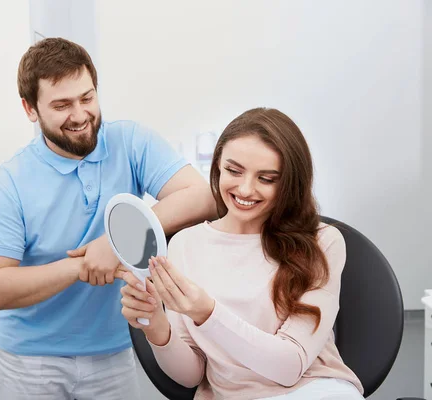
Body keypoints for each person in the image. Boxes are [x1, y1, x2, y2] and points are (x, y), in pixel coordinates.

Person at [0, 37, 217, 400]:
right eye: (61, 105)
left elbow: (203, 197)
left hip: (113, 351)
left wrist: (116, 240)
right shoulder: (10, 183)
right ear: (30, 109)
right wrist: (80, 266)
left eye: (87, 98)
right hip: (29, 361)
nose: (80, 114)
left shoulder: (130, 142)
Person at [120, 108, 365, 400]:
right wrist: (157, 327)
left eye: (267, 178)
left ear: (289, 182)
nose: (245, 189)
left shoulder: (322, 242)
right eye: (233, 171)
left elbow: (289, 367)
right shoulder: (185, 245)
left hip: (315, 390)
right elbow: (192, 375)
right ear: (218, 167)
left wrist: (207, 313)